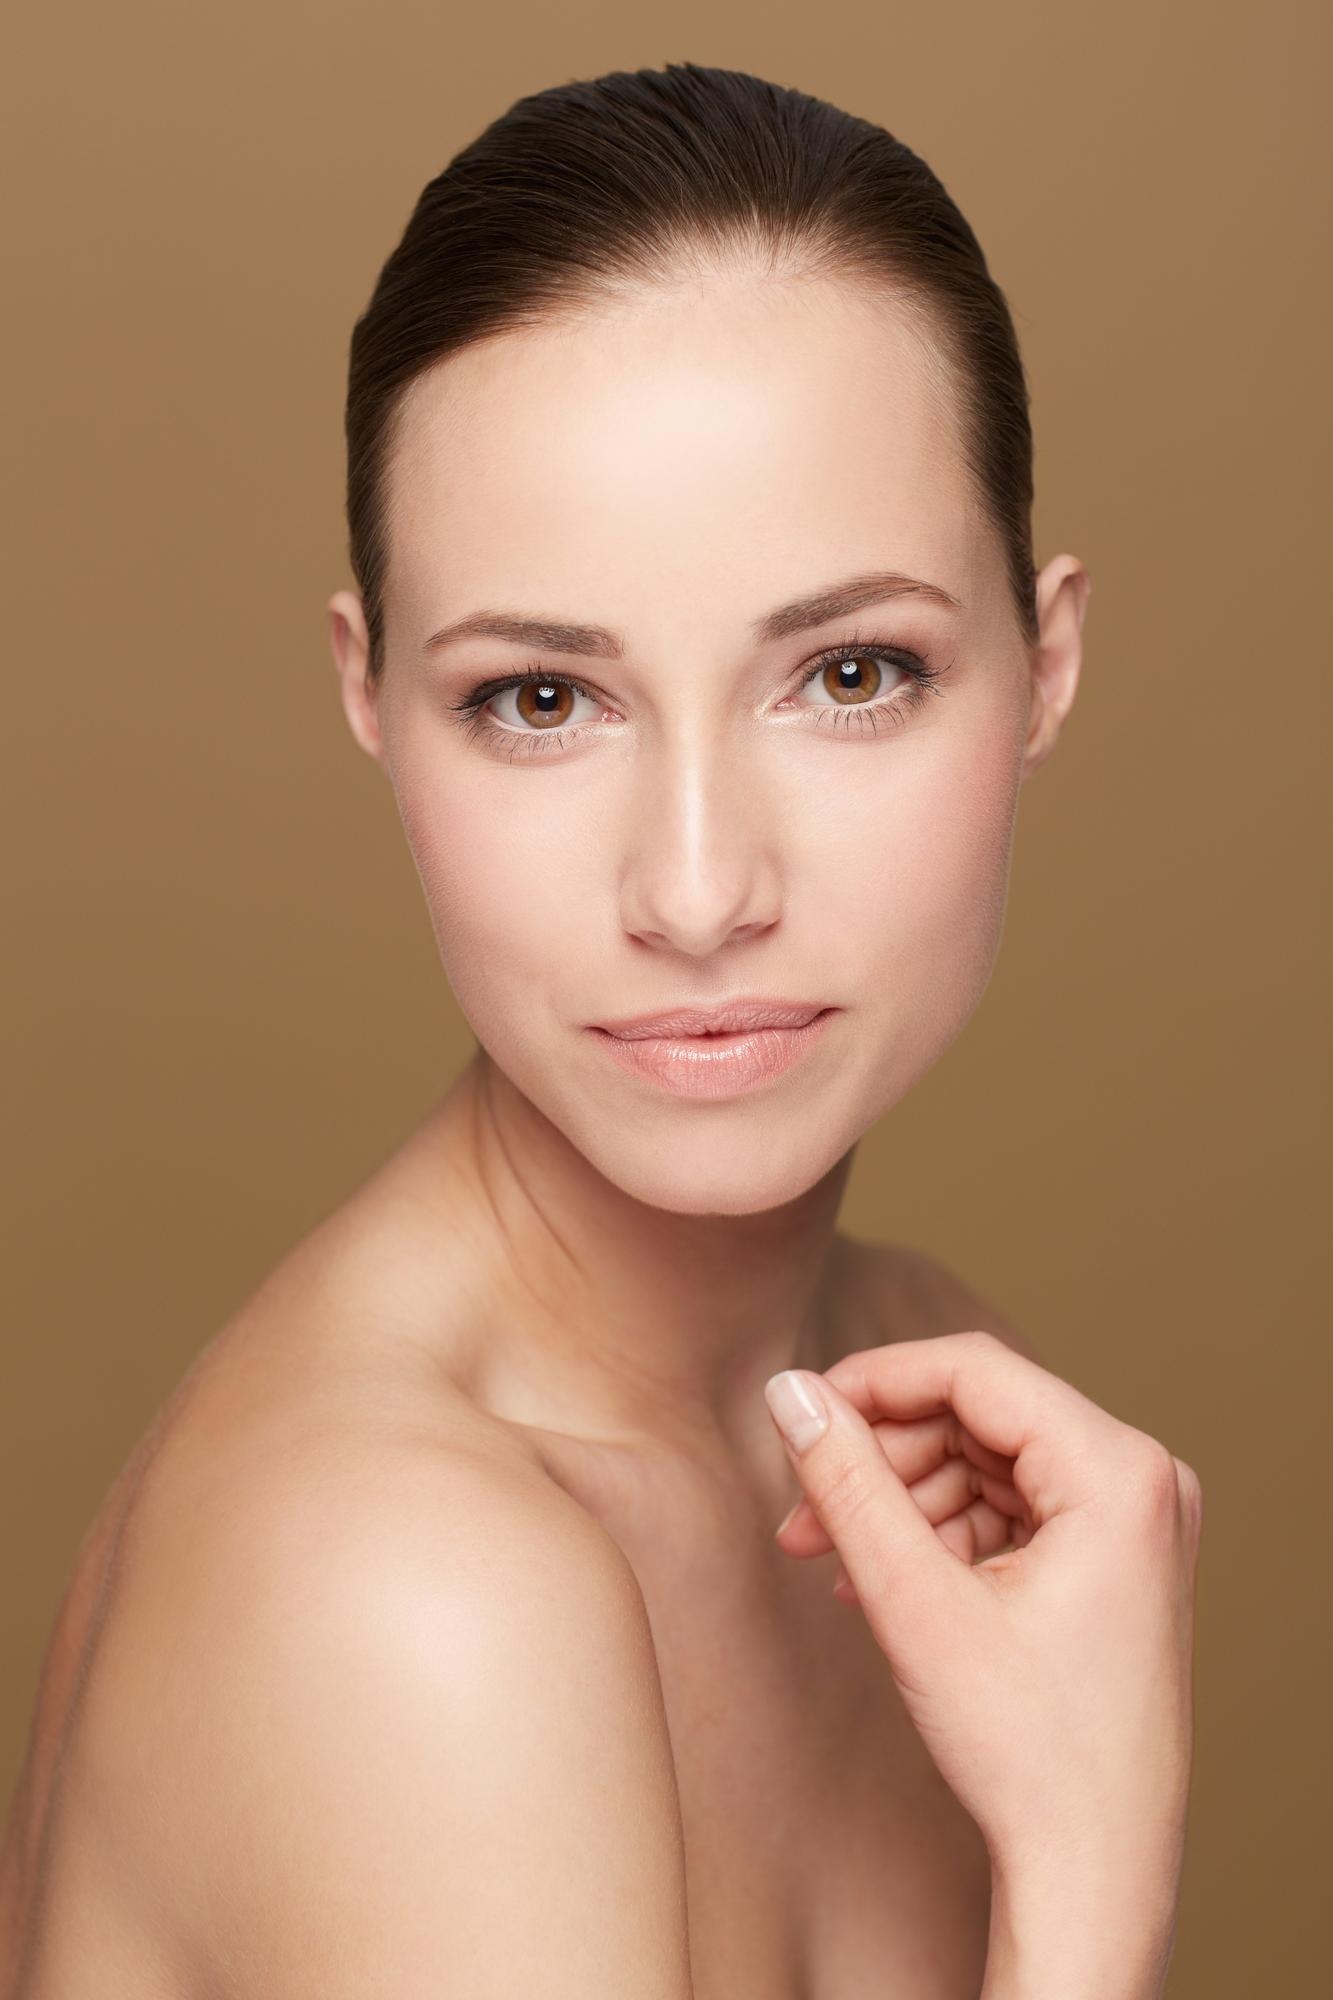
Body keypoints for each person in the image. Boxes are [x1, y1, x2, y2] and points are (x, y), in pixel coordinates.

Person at [0, 61, 1201, 1999]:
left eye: (848, 671)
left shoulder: (916, 1401)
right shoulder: (406, 1596)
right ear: (370, 690)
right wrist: (1085, 1880)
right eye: (543, 700)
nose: (700, 886)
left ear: (1043, 664)